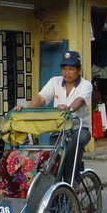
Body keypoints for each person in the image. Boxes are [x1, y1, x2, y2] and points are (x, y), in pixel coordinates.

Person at [15, 50, 92, 184]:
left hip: (79, 129)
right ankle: (55, 186)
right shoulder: (54, 82)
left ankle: (71, 181)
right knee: (52, 158)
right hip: (59, 130)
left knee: (73, 141)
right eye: (64, 69)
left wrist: (69, 109)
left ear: (79, 70)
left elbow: (79, 101)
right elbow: (41, 98)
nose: (67, 72)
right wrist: (26, 111)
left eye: (71, 69)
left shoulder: (86, 85)